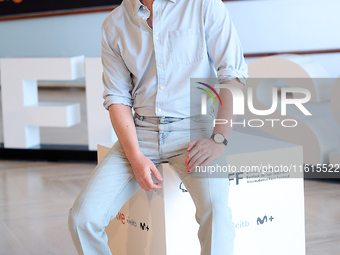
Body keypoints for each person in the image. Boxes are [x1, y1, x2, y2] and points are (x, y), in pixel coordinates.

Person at [68, 0, 248, 254]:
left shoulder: (205, 5)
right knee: (82, 219)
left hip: (194, 129)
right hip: (140, 133)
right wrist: (135, 156)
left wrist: (219, 139)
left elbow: (232, 75)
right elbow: (117, 98)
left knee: (216, 211)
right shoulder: (114, 24)